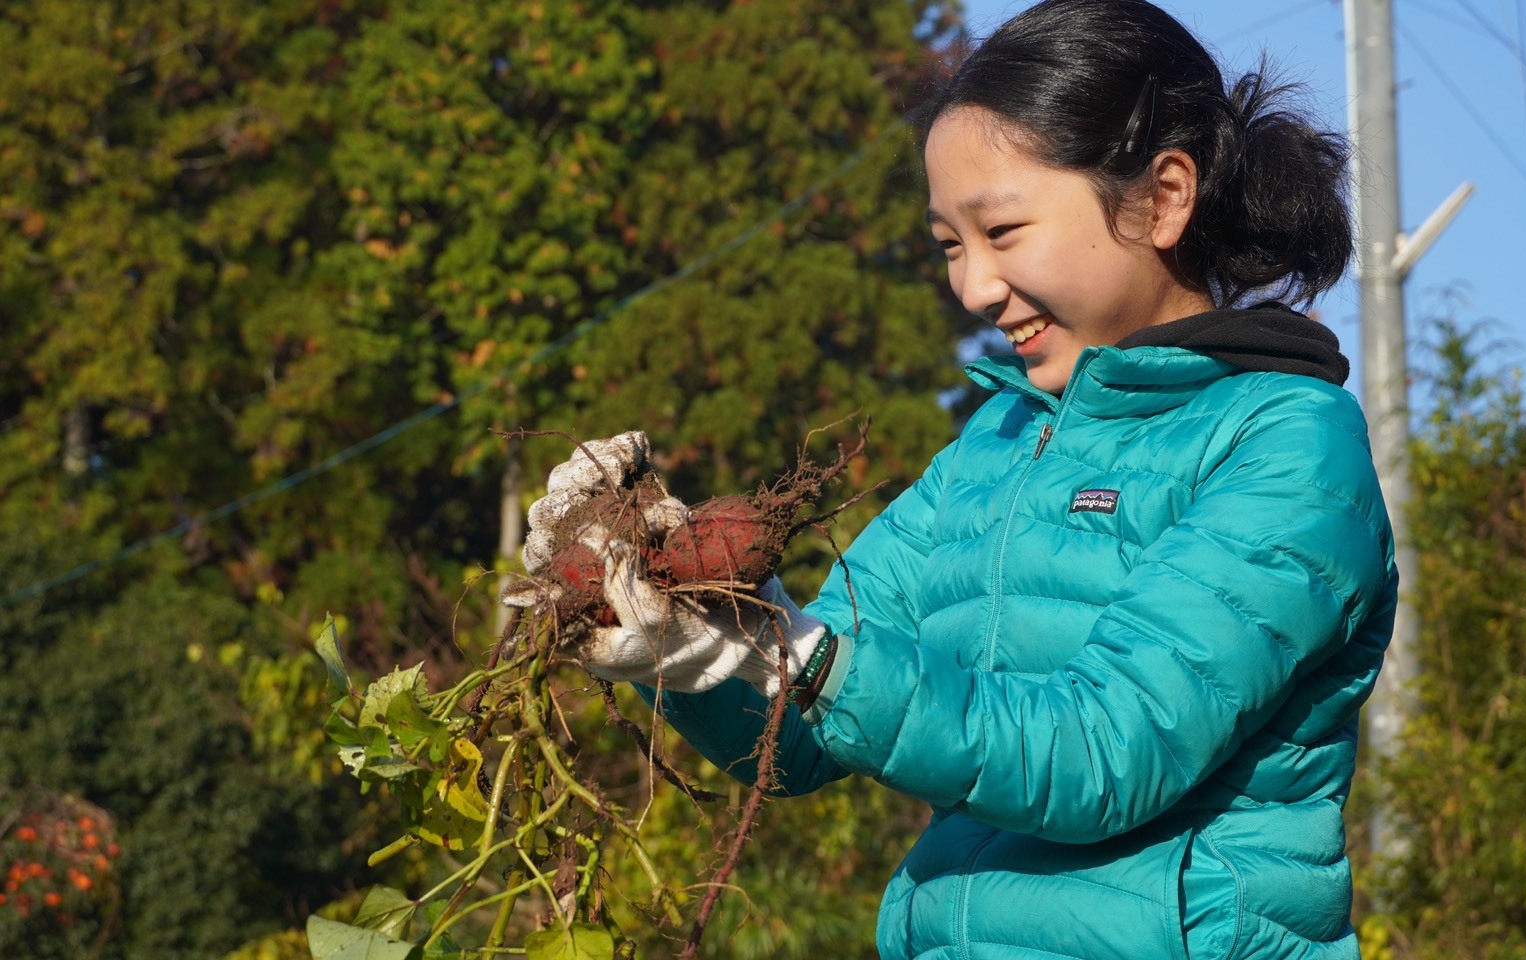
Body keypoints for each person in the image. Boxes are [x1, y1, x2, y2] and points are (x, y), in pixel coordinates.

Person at [505, 1, 1398, 956]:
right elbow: (805, 733)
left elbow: (1103, 752)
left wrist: (799, 659)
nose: (972, 287)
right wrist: (689, 644)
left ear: (1165, 197)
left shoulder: (1287, 445)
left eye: (1003, 231)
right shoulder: (995, 444)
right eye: (948, 246)